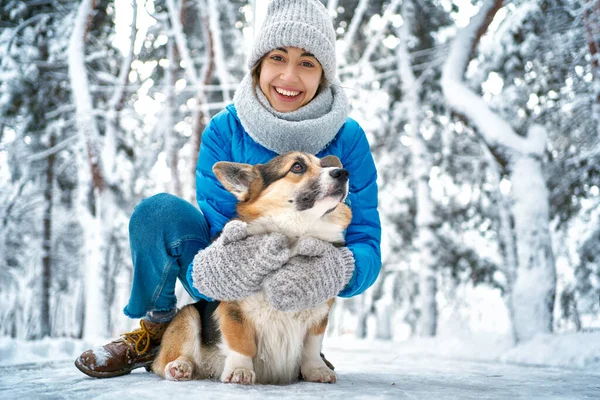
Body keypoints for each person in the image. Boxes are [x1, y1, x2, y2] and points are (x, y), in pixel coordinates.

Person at [75, 0, 381, 379]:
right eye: (277, 57)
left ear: (323, 74)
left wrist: (339, 270)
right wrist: (229, 266)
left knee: (319, 283)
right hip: (230, 275)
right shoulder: (225, 129)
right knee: (158, 212)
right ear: (258, 65)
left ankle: (292, 345)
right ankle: (158, 330)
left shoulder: (347, 137)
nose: (288, 76)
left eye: (307, 62)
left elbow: (366, 237)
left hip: (308, 275)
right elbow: (223, 223)